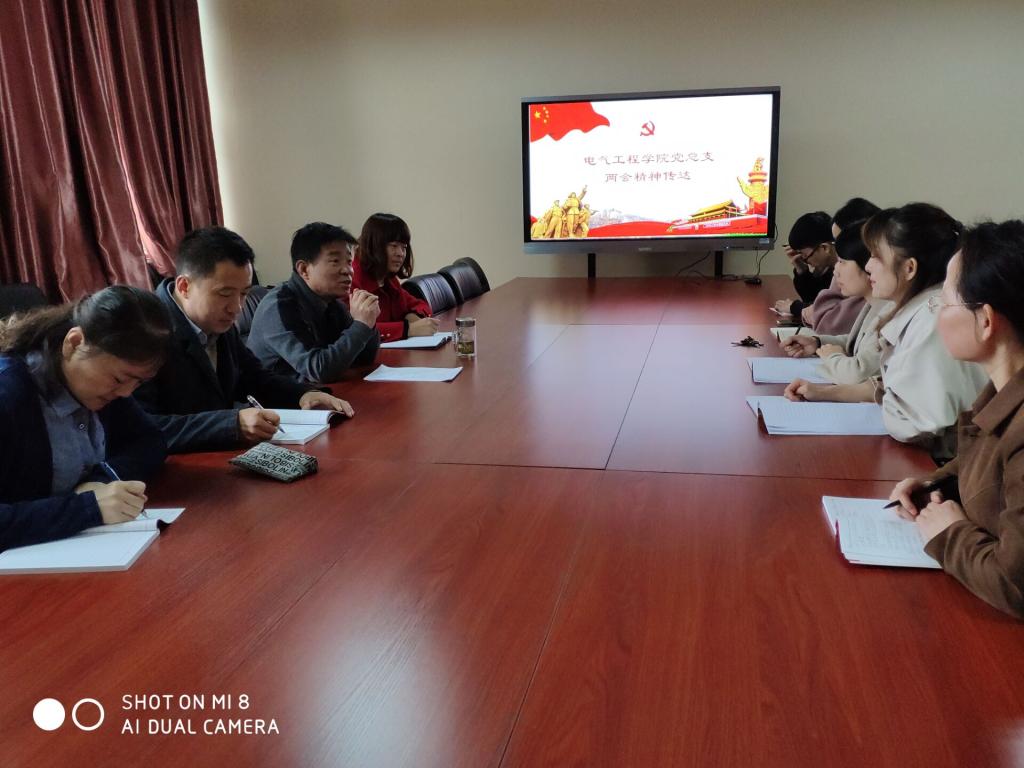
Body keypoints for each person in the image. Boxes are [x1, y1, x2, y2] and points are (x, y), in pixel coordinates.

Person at [888, 220, 1024, 618]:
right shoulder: (1000, 392)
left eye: (944, 303)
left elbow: (1016, 585)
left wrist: (949, 535)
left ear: (986, 320)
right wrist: (938, 485)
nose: (938, 318)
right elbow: (994, 467)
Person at [784, 203, 988, 458]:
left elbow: (917, 425)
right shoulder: (913, 309)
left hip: (938, 462)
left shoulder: (931, 318)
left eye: (876, 257)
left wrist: (882, 404)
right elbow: (888, 388)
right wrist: (823, 392)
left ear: (909, 268)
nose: (868, 266)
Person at [134, 226, 354, 453]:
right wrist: (230, 424)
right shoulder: (144, 333)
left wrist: (304, 394)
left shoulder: (217, 320)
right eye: (225, 293)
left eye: (244, 293)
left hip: (219, 456)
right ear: (184, 286)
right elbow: (140, 429)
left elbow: (254, 378)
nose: (237, 308)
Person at [0, 286, 171, 552]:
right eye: (119, 379)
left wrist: (102, 479)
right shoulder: (9, 396)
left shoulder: (101, 388)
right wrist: (87, 507)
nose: (126, 393)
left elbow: (150, 440)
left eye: (138, 383)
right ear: (75, 342)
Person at [247, 222, 381, 384]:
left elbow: (363, 358)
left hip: (315, 393)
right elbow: (318, 370)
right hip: (276, 398)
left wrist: (368, 322)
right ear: (304, 269)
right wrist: (361, 325)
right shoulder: (279, 306)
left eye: (348, 261)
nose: (348, 270)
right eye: (335, 261)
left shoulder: (332, 303)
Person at [780, 222, 890, 384]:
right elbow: (859, 343)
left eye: (842, 262)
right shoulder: (873, 304)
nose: (836, 270)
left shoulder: (889, 311)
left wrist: (832, 357)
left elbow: (858, 374)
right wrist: (818, 343)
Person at [351, 213, 439, 343]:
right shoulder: (351, 281)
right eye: (394, 246)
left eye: (404, 247)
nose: (401, 254)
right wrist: (408, 329)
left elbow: (420, 305)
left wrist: (412, 316)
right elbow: (354, 330)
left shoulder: (388, 278)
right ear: (374, 245)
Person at [803, 198, 882, 334]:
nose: (835, 249)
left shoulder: (877, 298)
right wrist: (817, 342)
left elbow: (826, 323)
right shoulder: (869, 297)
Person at [772, 211, 836, 322]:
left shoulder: (844, 270)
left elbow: (828, 311)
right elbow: (813, 298)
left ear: (825, 248)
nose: (805, 261)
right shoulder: (826, 267)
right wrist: (802, 271)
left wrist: (794, 307)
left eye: (805, 255)